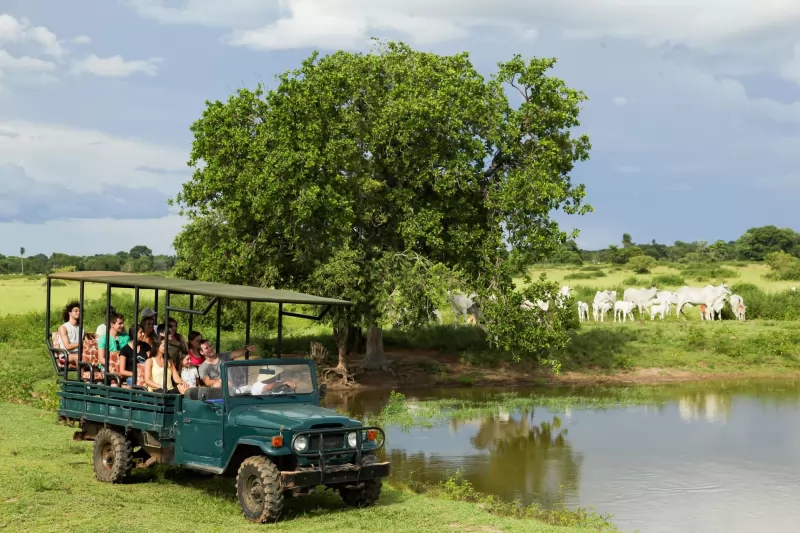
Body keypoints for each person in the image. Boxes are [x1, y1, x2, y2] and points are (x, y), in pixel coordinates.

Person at [57, 301, 82, 366]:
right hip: (65, 356)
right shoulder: (63, 328)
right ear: (70, 313)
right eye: (76, 311)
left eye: (79, 311)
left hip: (79, 354)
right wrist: (82, 344)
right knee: (78, 357)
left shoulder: (81, 328)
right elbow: (67, 346)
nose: (78, 313)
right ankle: (82, 376)